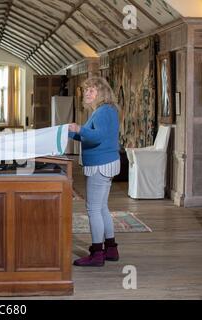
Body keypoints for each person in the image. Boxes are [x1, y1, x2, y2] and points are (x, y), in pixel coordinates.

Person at [68, 76, 121, 267]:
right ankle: (111, 248)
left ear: (102, 92)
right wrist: (72, 132)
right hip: (105, 162)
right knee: (102, 208)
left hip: (101, 163)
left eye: (92, 90)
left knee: (93, 209)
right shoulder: (103, 110)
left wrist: (79, 128)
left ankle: (97, 253)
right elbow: (90, 137)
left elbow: (97, 136)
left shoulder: (104, 111)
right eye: (86, 90)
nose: (87, 93)